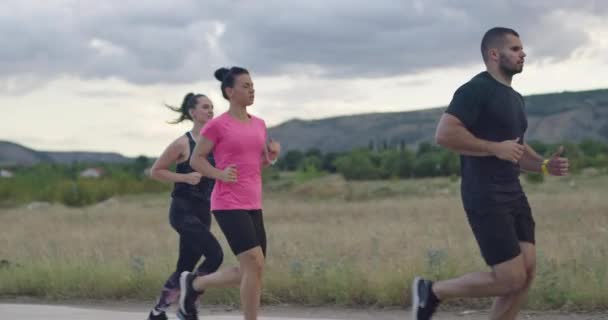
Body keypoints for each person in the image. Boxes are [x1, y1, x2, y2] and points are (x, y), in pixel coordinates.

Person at [412, 27, 570, 320]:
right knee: (510, 277)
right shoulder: (475, 89)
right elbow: (445, 134)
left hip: (513, 192)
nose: (523, 53)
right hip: (485, 194)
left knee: (527, 270)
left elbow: (517, 148)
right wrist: (493, 148)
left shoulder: (514, 98)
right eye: (515, 48)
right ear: (494, 54)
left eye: (522, 48)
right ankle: (432, 291)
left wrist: (545, 165)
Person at [177, 67, 281, 320]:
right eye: (245, 86)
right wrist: (219, 174)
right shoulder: (217, 125)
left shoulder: (259, 124)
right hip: (227, 202)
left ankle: (194, 285)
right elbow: (196, 160)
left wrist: (271, 158)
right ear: (230, 91)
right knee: (253, 264)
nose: (251, 89)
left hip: (253, 201)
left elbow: (253, 164)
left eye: (252, 85)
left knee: (254, 269)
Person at [146, 93, 224, 320]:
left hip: (203, 212)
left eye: (212, 107)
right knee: (215, 255)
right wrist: (185, 178)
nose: (211, 111)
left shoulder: (215, 144)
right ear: (193, 113)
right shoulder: (183, 142)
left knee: (185, 267)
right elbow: (156, 171)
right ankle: (188, 304)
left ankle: (157, 312)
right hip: (182, 211)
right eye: (205, 107)